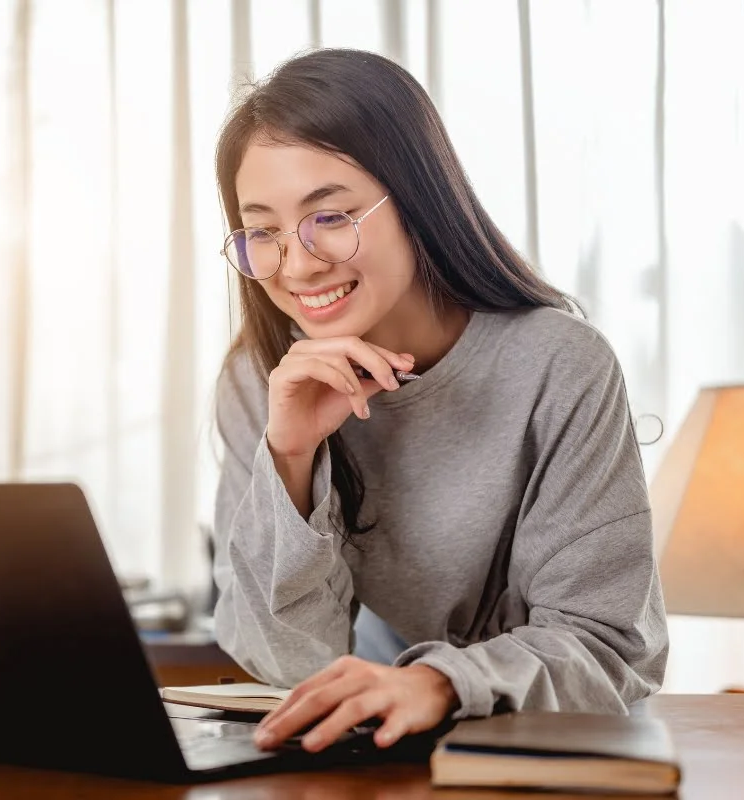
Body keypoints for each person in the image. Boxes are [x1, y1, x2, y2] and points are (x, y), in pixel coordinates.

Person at [209, 48, 669, 756]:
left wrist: (440, 683)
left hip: (558, 753)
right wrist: (292, 459)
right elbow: (286, 664)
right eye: (263, 230)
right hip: (386, 758)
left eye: (328, 216)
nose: (297, 265)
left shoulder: (558, 364)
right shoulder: (261, 378)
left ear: (416, 198)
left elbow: (609, 651)